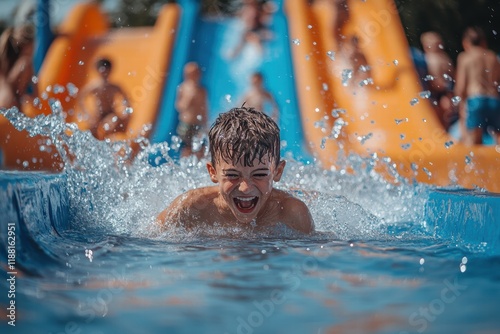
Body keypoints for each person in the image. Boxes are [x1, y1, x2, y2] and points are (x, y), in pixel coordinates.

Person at [157, 106, 314, 234]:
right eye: (232, 175)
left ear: (277, 172)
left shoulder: (292, 214)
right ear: (213, 172)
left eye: (259, 174)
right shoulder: (189, 209)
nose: (245, 188)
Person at [454, 26, 500, 145]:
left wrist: (461, 105)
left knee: (474, 140)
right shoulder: (493, 57)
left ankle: (476, 163)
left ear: (466, 43)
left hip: (476, 100)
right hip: (494, 99)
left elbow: (461, 86)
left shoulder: (465, 57)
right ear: (483, 42)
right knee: (498, 137)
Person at [78, 57, 131, 140]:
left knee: (109, 125)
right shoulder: (94, 86)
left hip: (110, 113)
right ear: (98, 71)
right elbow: (81, 98)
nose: (104, 73)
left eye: (106, 70)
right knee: (92, 130)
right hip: (98, 115)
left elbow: (126, 98)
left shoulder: (114, 87)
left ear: (110, 70)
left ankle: (109, 141)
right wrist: (87, 114)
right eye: (102, 70)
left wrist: (126, 111)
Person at [420, 31, 456, 130]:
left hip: (440, 92)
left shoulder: (432, 58)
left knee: (441, 120)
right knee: (444, 120)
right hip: (443, 91)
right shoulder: (444, 58)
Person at [175, 62, 208, 159]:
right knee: (187, 149)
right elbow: (179, 107)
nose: (197, 75)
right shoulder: (183, 88)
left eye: (198, 73)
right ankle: (183, 166)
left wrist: (206, 124)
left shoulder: (202, 90)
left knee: (201, 149)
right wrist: (188, 100)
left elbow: (204, 109)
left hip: (198, 124)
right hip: (186, 124)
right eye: (194, 73)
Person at [0, 24, 36, 111]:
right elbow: (20, 90)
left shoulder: (3, 65)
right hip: (9, 106)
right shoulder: (25, 63)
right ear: (27, 46)